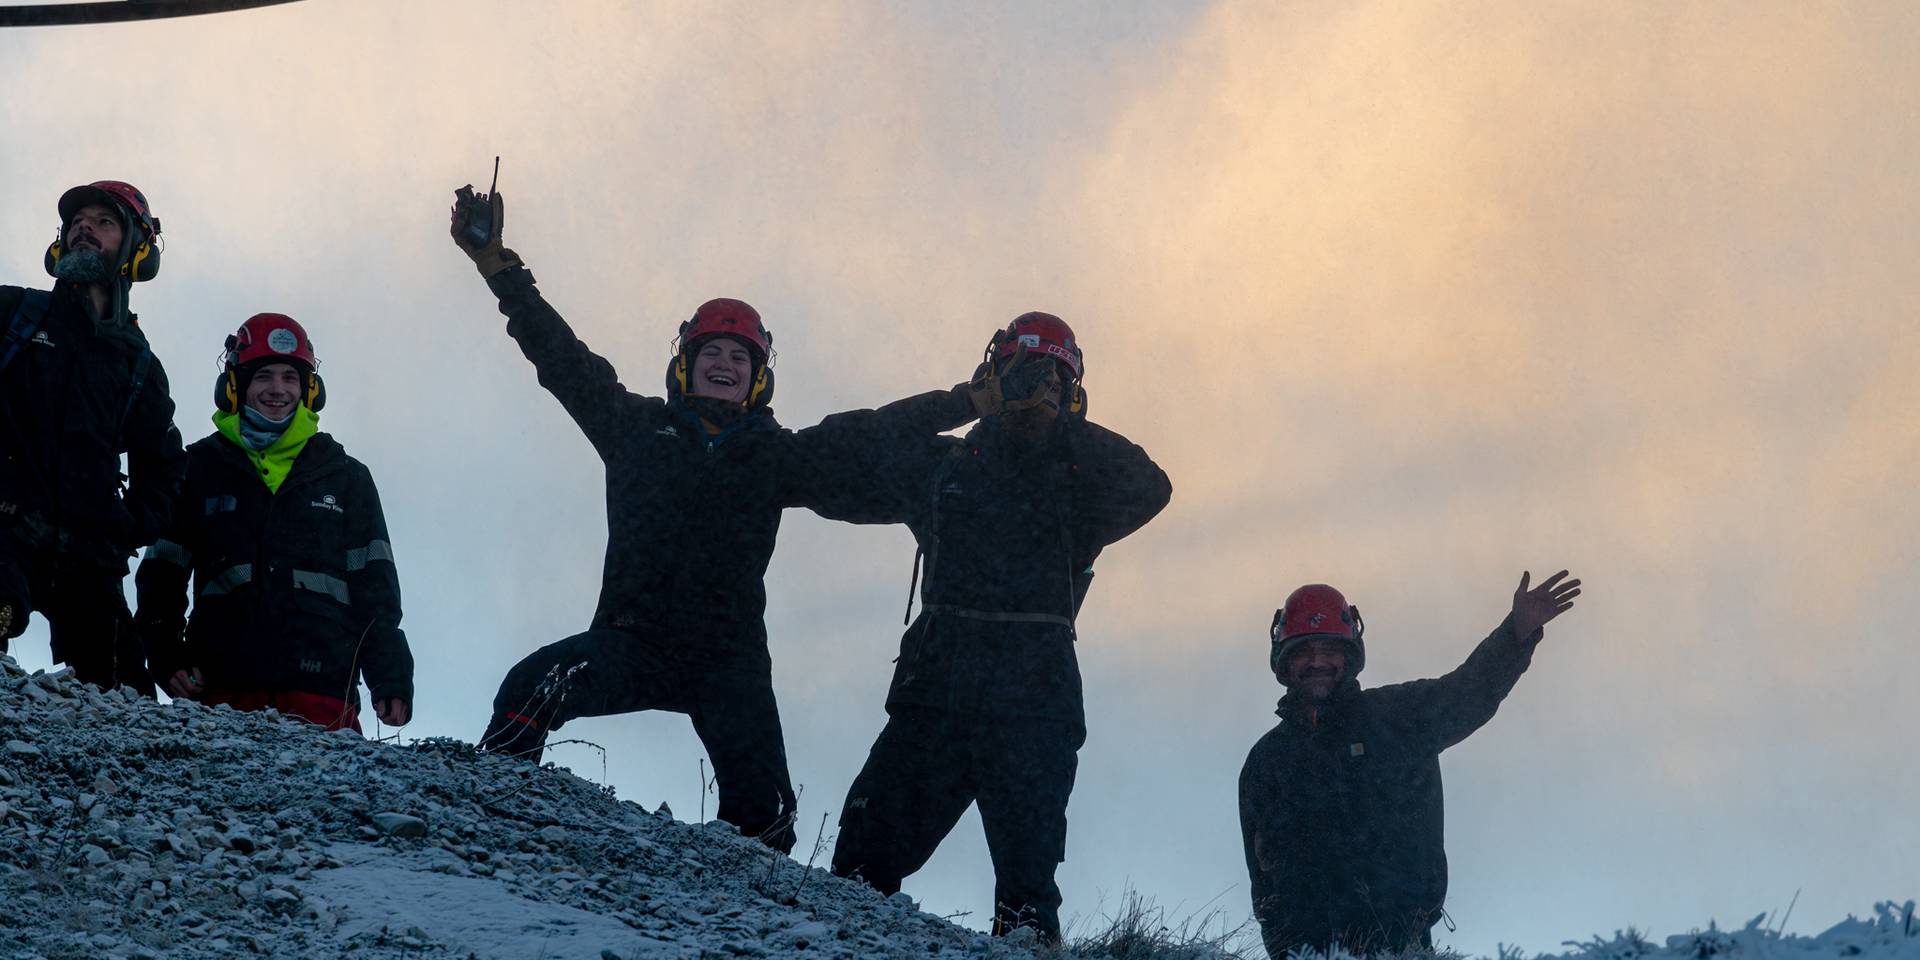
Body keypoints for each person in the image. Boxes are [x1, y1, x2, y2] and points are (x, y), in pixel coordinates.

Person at [452, 184, 861, 854]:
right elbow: (562, 359)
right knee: (529, 687)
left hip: (729, 662)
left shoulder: (776, 457)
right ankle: (496, 833)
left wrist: (964, 404)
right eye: (712, 353)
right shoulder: (636, 428)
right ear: (685, 367)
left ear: (757, 379)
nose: (725, 363)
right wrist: (500, 268)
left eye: (740, 357)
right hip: (631, 642)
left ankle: (745, 925)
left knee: (769, 819)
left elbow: (871, 442)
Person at [811, 313, 1172, 942]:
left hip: (1034, 709)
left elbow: (1152, 486)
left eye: (1059, 382)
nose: (1043, 390)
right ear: (992, 373)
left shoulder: (1081, 486)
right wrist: (963, 402)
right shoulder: (941, 466)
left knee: (1028, 915)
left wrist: (1062, 428)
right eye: (1028, 375)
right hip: (936, 702)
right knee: (856, 880)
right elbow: (832, 453)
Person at [1239, 572, 1583, 958]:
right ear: (1284, 662)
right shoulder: (1266, 762)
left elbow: (1468, 693)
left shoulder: (1397, 718)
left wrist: (1515, 633)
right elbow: (1263, 886)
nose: (1317, 661)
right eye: (1303, 651)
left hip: (1401, 949)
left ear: (1350, 656)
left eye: (1329, 649)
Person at [133, 314, 413, 733]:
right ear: (235, 387)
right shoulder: (197, 468)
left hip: (324, 698)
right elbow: (161, 578)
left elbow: (376, 589)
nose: (277, 389)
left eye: (290, 377)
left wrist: (389, 675)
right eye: (263, 376)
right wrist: (167, 656)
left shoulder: (347, 476)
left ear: (309, 390)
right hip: (220, 698)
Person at [0, 180, 185, 692]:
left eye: (103, 222)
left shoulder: (139, 365)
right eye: (76, 223)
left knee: (123, 699)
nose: (84, 229)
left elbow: (164, 464)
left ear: (136, 251)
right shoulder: (14, 315)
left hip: (88, 556)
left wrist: (126, 527)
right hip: (5, 531)